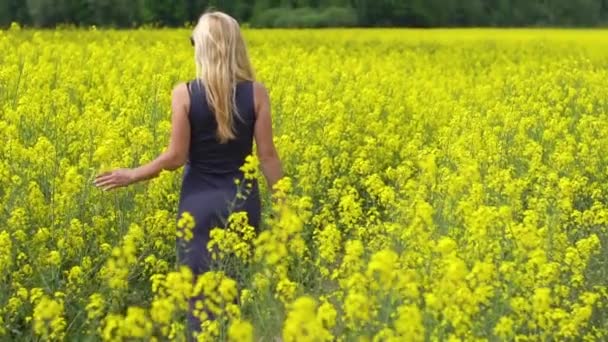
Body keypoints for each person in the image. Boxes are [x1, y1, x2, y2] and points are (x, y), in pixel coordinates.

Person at [93, 10, 283, 340]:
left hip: (198, 205)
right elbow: (267, 156)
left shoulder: (184, 93)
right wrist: (284, 204)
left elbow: (175, 157)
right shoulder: (257, 93)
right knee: (232, 293)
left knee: (198, 299)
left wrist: (132, 174)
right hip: (242, 203)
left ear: (202, 47)